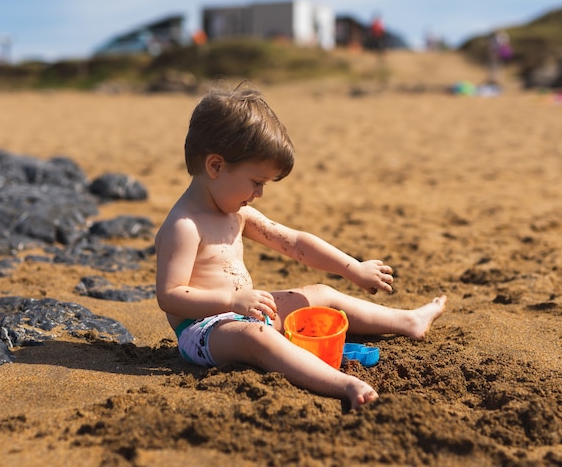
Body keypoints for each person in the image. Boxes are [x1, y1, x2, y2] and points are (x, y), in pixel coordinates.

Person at [155, 84, 447, 410]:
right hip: (204, 330)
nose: (259, 194)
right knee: (258, 338)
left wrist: (353, 268)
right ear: (216, 166)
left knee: (321, 293)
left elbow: (294, 243)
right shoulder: (184, 225)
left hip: (248, 311)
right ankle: (343, 383)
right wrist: (232, 300)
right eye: (256, 182)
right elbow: (169, 295)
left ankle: (406, 321)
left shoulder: (236, 213)